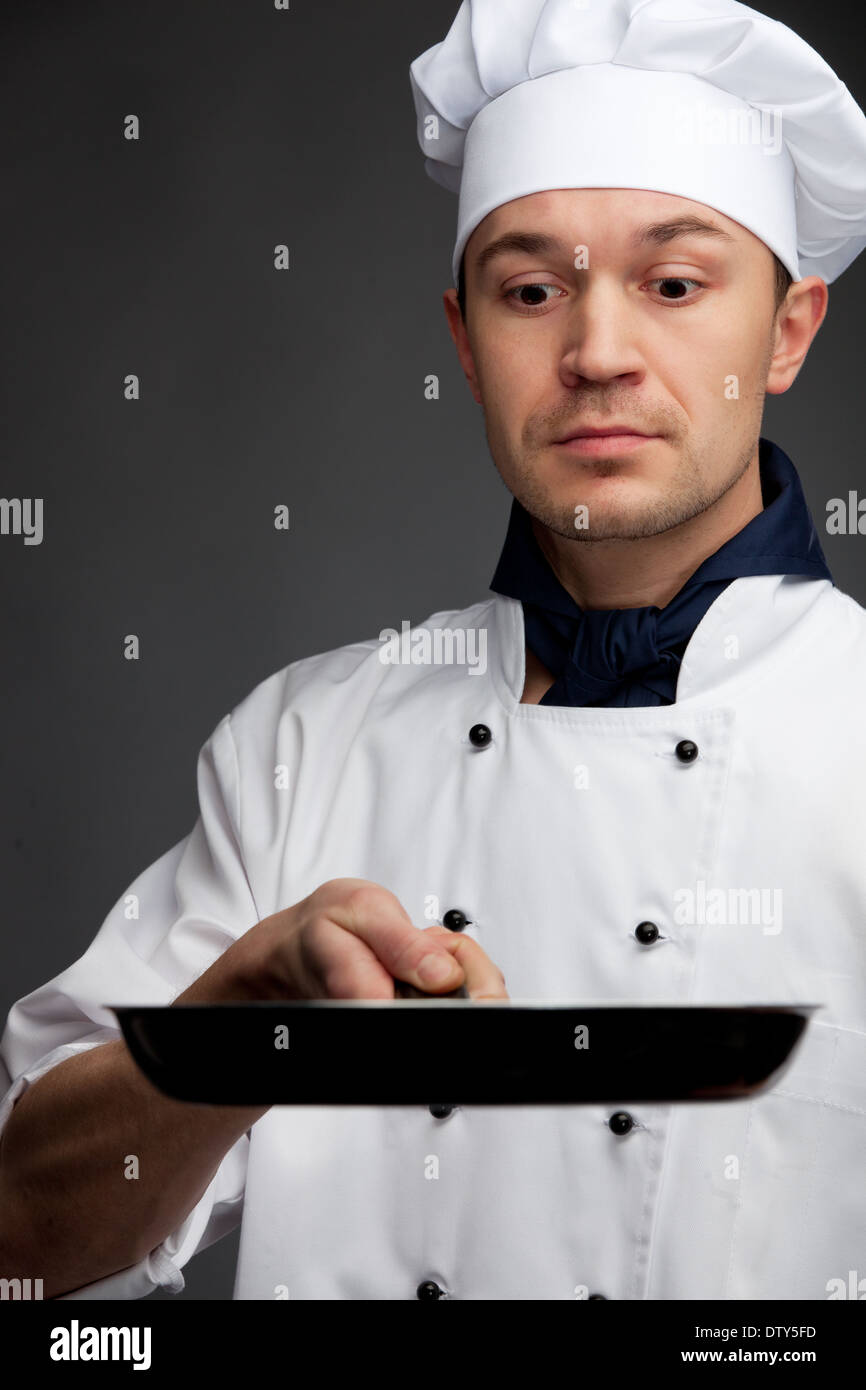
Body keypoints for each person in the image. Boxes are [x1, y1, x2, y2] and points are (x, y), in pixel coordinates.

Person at [2, 0, 866, 1301]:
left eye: (674, 283)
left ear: (788, 331)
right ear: (465, 340)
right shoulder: (306, 739)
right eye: (530, 291)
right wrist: (245, 1025)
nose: (595, 353)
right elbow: (24, 1242)